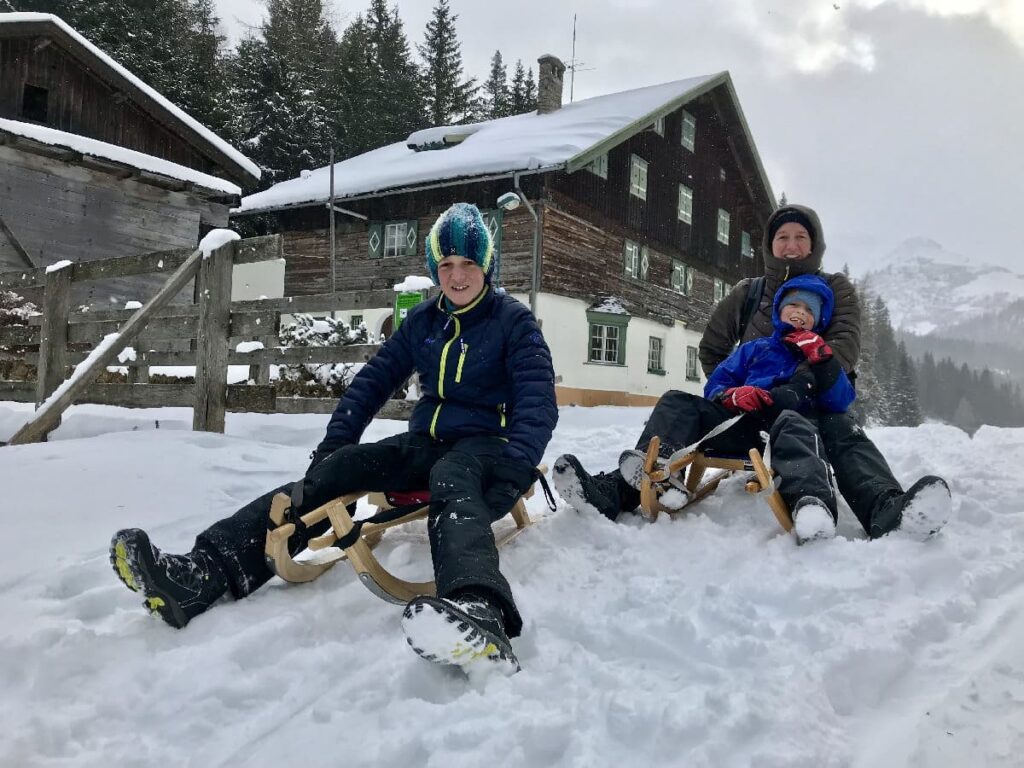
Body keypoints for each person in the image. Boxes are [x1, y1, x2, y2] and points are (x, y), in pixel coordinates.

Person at [109, 202, 558, 676]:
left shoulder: (512, 322)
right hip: (427, 442)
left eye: (468, 263)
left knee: (454, 475)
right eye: (446, 264)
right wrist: (333, 449)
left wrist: (515, 468)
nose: (458, 275)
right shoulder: (424, 322)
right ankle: (205, 571)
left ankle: (479, 607)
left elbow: (537, 402)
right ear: (433, 269)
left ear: (485, 266)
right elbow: (372, 382)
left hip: (488, 446)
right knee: (343, 468)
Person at [554, 203, 950, 541]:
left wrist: (804, 383)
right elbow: (713, 350)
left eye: (801, 237)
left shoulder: (835, 290)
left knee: (845, 434)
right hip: (747, 414)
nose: (791, 246)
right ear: (769, 245)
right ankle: (624, 485)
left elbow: (844, 351)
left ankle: (888, 510)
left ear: (815, 245)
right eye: (782, 238)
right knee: (679, 404)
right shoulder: (751, 292)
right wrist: (731, 392)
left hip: (813, 409)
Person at [616, 275, 855, 543]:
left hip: (786, 436)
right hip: (739, 425)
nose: (800, 312)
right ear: (779, 310)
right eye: (794, 305)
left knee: (795, 423)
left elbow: (842, 400)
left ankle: (811, 504)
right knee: (677, 401)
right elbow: (718, 382)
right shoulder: (755, 348)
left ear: (818, 320)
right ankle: (658, 470)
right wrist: (730, 395)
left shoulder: (818, 357)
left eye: (810, 309)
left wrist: (822, 359)